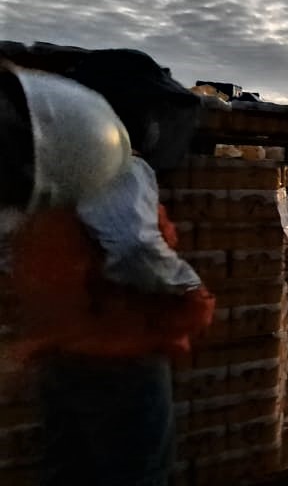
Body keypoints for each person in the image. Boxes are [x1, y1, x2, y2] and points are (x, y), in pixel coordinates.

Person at [0, 58, 215, 486]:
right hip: (122, 350)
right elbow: (133, 247)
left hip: (59, 349)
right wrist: (189, 290)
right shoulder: (110, 161)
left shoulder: (36, 171)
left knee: (69, 470)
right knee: (136, 471)